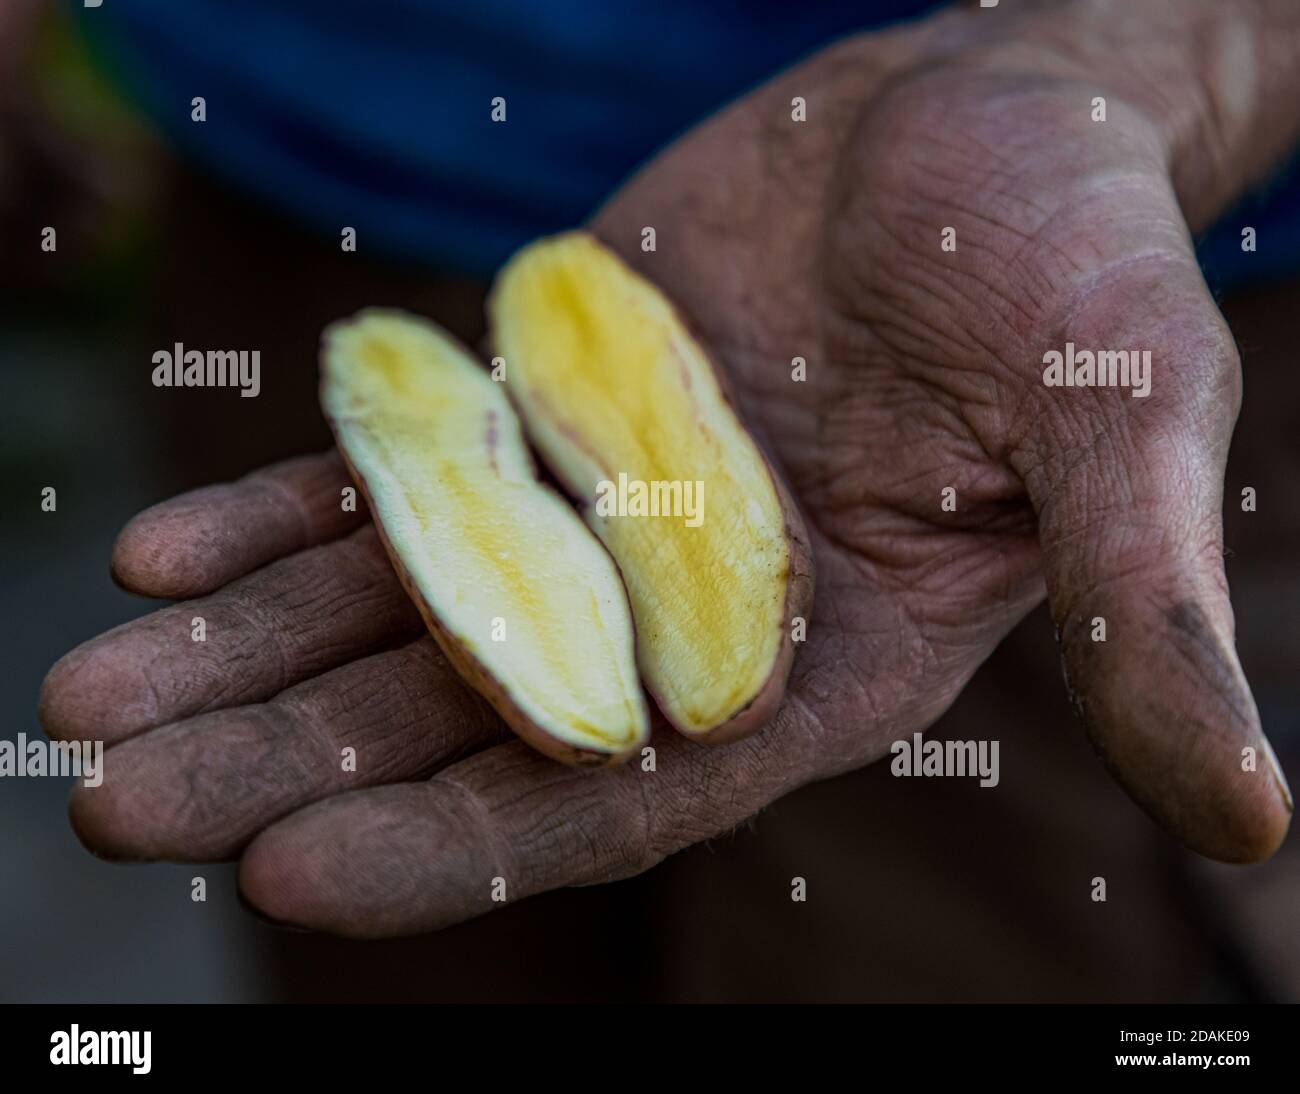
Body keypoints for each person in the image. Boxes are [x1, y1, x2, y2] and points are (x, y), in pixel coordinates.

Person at [39, 0, 1299, 942]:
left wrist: (1155, 47)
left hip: (945, 344)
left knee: (946, 932)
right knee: (391, 925)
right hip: (289, 152)